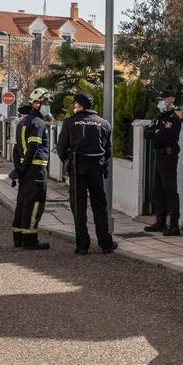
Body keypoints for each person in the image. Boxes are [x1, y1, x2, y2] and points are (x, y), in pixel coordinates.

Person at [57, 92, 117, 255]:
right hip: (96, 168)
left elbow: (61, 147)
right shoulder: (104, 123)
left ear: (80, 105)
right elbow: (108, 151)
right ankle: (105, 243)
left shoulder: (70, 123)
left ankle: (83, 245)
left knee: (79, 206)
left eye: (75, 104)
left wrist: (68, 163)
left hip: (77, 168)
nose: (74, 106)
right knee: (100, 205)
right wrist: (103, 166)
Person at [11, 88, 53, 250]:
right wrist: (23, 168)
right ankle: (30, 240)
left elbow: (16, 149)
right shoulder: (38, 122)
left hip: (25, 170)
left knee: (22, 202)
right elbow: (34, 147)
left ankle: (18, 238)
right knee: (35, 204)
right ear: (37, 104)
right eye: (46, 103)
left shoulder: (22, 122)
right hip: (36, 171)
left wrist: (18, 169)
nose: (47, 106)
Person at [143, 91, 182, 236]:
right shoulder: (159, 118)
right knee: (158, 188)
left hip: (168, 157)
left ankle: (174, 225)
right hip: (159, 156)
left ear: (171, 100)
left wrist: (156, 133)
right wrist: (156, 132)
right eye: (160, 99)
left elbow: (163, 137)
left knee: (170, 189)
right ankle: (160, 222)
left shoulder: (174, 119)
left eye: (164, 99)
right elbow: (147, 133)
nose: (161, 101)